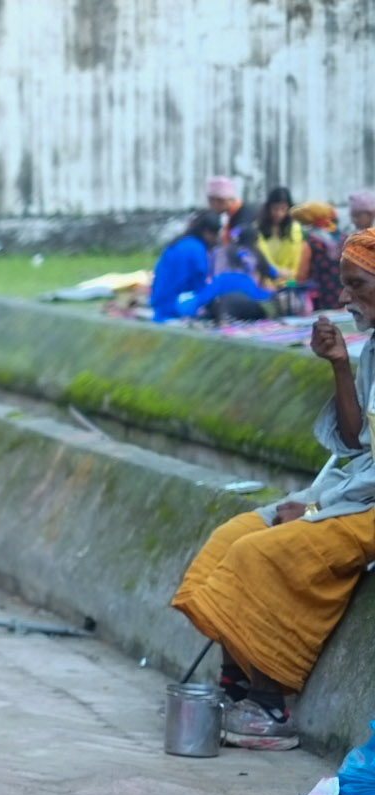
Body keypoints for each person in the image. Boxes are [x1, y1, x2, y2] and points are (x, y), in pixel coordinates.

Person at [172, 232, 375, 750]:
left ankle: (269, 706)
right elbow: (357, 442)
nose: (345, 299)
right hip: (351, 491)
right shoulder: (373, 345)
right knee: (232, 535)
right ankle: (235, 684)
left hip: (364, 506)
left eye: (356, 286)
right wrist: (339, 366)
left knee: (263, 554)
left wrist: (313, 507)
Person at [149, 211, 271, 322]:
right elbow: (200, 286)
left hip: (160, 304)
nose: (217, 239)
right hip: (173, 307)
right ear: (208, 233)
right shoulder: (197, 249)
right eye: (216, 235)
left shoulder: (179, 243)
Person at [292, 201, 344, 311]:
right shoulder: (345, 238)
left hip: (321, 300)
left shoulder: (310, 243)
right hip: (347, 298)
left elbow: (301, 276)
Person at [205, 174, 258, 274]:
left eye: (211, 202)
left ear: (220, 200)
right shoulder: (232, 215)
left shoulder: (243, 217)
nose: (210, 207)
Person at [253, 186, 303, 283]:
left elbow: (296, 262)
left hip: (287, 283)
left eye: (283, 209)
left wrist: (285, 276)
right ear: (268, 208)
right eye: (275, 209)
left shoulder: (294, 230)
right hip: (262, 284)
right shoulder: (257, 230)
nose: (279, 213)